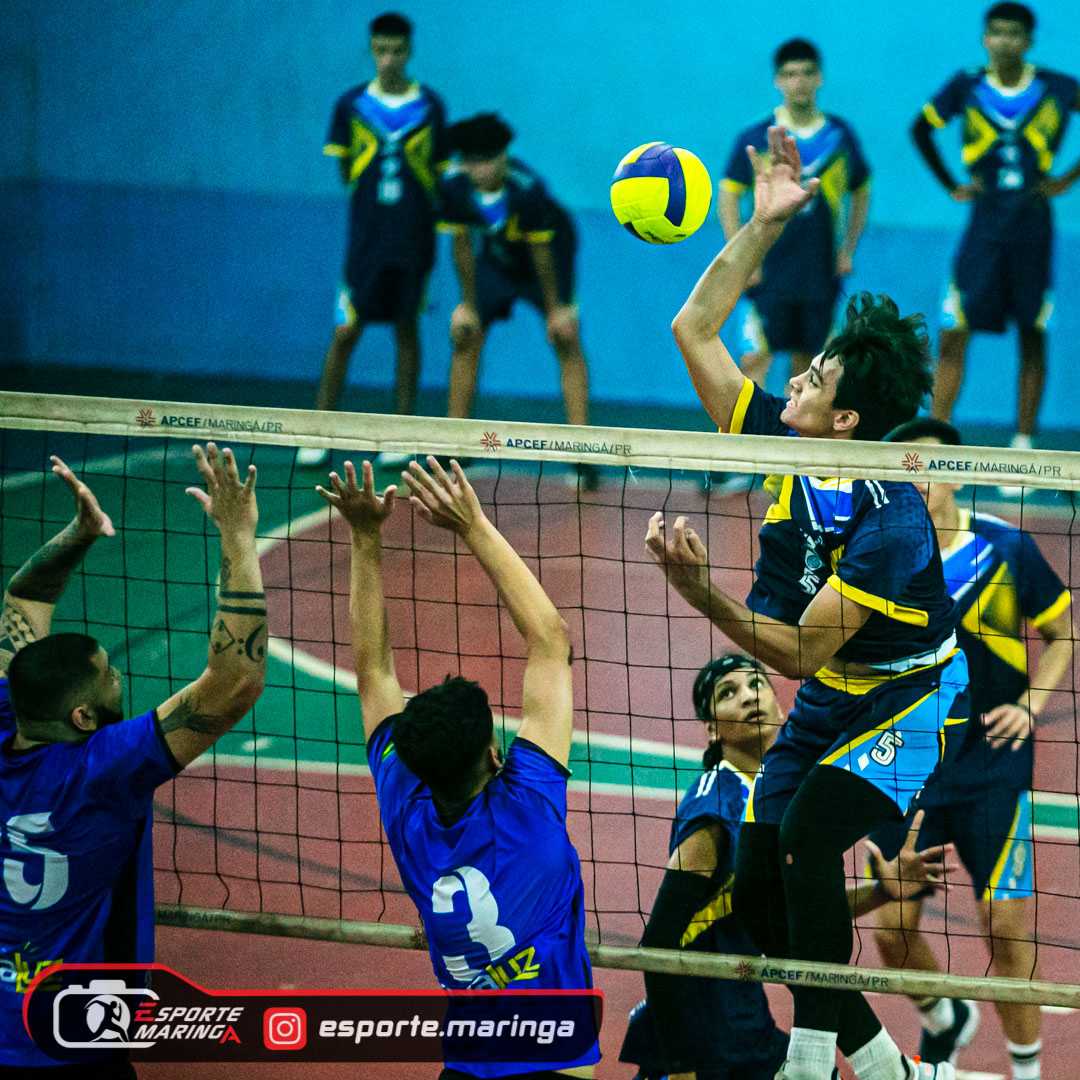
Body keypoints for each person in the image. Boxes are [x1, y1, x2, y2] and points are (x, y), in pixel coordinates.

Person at [652, 125, 967, 1080]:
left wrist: (700, 590)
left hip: (911, 702)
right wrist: (764, 222)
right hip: (836, 694)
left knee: (808, 836)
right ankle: (891, 1068)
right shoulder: (788, 446)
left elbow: (791, 653)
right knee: (760, 887)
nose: (792, 377)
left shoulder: (893, 521)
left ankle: (812, 1056)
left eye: (815, 378)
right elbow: (693, 330)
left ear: (847, 420)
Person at [316, 456, 598, 1078]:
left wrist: (365, 537)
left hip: (467, 1062)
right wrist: (472, 525)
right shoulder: (530, 809)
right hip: (554, 1062)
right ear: (496, 756)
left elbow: (373, 676)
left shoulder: (405, 805)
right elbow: (550, 638)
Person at [0, 447, 267, 1075]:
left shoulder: (13, 711)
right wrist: (238, 533)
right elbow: (235, 681)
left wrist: (80, 533)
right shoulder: (102, 771)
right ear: (82, 719)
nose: (119, 675)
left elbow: (23, 599)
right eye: (109, 675)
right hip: (76, 1038)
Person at [619, 654, 957, 1080]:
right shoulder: (716, 803)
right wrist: (680, 1068)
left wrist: (881, 892)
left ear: (782, 709)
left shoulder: (789, 803)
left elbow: (802, 918)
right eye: (728, 693)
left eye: (756, 684)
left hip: (748, 1029)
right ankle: (892, 1070)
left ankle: (890, 1069)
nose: (748, 697)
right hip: (699, 1037)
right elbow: (657, 943)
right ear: (712, 730)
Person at [867, 418, 1076, 1080]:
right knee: (891, 930)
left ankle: (1028, 1072)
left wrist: (1030, 705)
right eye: (901, 472)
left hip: (991, 766)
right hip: (906, 766)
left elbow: (1063, 633)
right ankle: (946, 1018)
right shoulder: (874, 555)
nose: (914, 483)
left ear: (958, 473)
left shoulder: (1006, 549)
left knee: (1006, 930)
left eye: (925, 469)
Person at [913, 2, 1080, 461]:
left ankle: (1024, 444)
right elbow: (920, 130)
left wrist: (1068, 178)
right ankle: (936, 437)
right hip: (983, 228)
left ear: (1028, 41)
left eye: (1014, 33)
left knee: (1033, 332)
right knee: (953, 330)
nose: (1004, 41)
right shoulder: (966, 86)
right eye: (997, 32)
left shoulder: (1058, 87)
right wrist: (952, 185)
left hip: (1033, 227)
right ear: (985, 38)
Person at [298, 12, 449, 468]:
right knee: (346, 330)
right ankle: (318, 431)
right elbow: (348, 172)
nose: (389, 59)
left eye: (397, 50)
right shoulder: (351, 106)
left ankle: (399, 432)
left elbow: (437, 176)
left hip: (414, 242)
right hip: (365, 243)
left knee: (407, 329)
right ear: (371, 50)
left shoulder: (431, 107)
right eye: (381, 50)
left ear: (410, 51)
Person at [437, 113, 595, 487]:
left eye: (488, 159)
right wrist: (468, 306)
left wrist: (556, 311)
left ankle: (583, 453)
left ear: (504, 157)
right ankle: (453, 448)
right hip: (497, 260)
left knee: (566, 338)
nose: (481, 169)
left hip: (550, 257)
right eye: (472, 161)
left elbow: (542, 255)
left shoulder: (528, 189)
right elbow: (462, 245)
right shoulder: (453, 186)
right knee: (466, 336)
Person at [720, 39, 871, 387]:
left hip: (820, 268)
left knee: (808, 364)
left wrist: (847, 248)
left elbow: (862, 189)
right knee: (754, 358)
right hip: (768, 267)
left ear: (820, 77)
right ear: (778, 80)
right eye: (790, 74)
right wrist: (741, 257)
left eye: (806, 73)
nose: (799, 81)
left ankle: (793, 422)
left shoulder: (841, 136)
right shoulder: (758, 136)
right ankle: (750, 425)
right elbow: (728, 196)